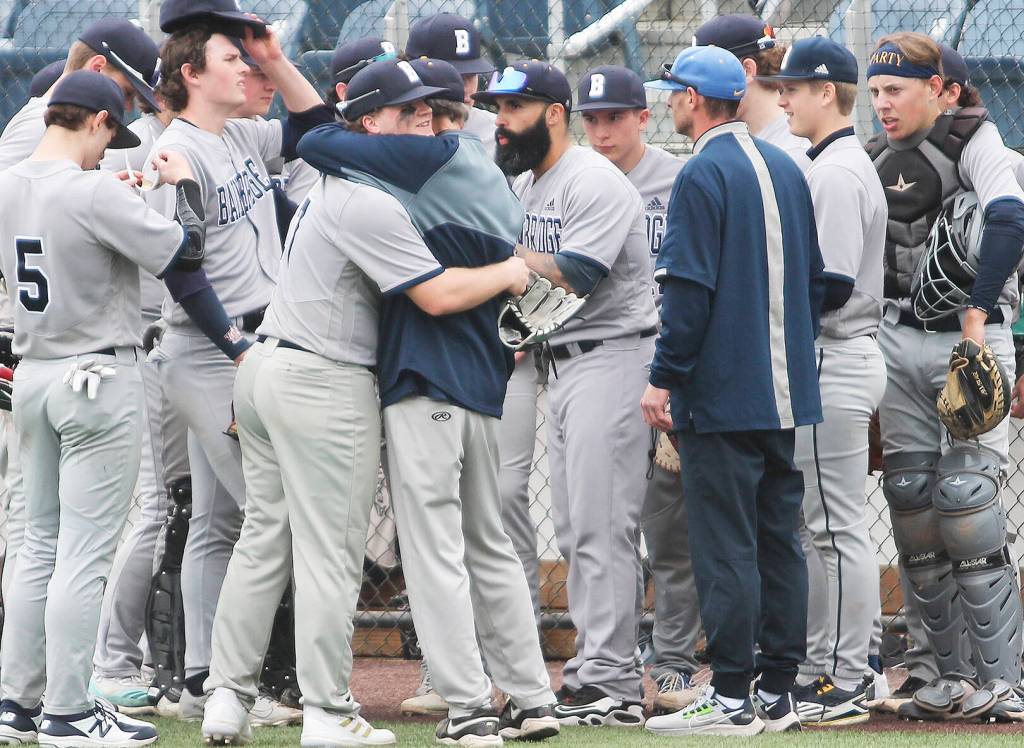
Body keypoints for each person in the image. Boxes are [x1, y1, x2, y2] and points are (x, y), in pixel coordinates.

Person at [300, 57, 560, 745]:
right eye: (410, 108)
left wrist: (358, 120)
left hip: (429, 377)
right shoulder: (470, 162)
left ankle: (471, 707)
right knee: (488, 546)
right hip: (478, 379)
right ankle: (533, 699)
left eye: (430, 106)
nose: (421, 117)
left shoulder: (426, 160)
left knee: (435, 550)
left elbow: (313, 141)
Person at [0, 69, 209, 747]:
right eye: (108, 134)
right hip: (97, 378)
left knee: (35, 547)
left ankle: (17, 705)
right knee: (83, 555)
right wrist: (179, 187)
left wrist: (122, 197)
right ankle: (67, 712)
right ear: (93, 120)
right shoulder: (91, 190)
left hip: (34, 374)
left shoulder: (8, 181)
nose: (109, 148)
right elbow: (187, 253)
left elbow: (76, 224)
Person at [149, 0, 332, 723]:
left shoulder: (240, 137)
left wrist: (276, 59)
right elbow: (182, 269)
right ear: (192, 73)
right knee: (268, 516)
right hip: (210, 350)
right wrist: (236, 346)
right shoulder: (180, 150)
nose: (245, 68)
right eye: (232, 59)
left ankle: (201, 679)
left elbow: (318, 131)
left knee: (219, 520)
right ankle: (229, 683)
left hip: (237, 345)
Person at [640, 45, 823, 737]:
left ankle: (736, 698)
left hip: (720, 393)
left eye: (674, 91)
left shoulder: (701, 173)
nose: (669, 101)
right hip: (784, 390)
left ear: (694, 99)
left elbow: (687, 294)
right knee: (780, 539)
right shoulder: (785, 165)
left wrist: (664, 377)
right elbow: (815, 282)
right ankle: (778, 692)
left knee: (725, 545)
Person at [475, 60, 658, 727]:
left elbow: (577, 274)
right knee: (582, 524)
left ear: (554, 112)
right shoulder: (530, 180)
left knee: (601, 525)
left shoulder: (592, 181)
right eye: (497, 109)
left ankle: (608, 680)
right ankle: (593, 674)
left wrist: (499, 267)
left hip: (615, 354)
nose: (501, 122)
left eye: (514, 109)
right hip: (567, 360)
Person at [866, 31, 1024, 722]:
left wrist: (977, 317)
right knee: (913, 505)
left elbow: (1011, 217)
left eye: (894, 90)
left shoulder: (980, 143)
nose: (882, 104)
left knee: (967, 501)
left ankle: (1002, 681)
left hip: (970, 334)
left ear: (943, 91)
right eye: (873, 91)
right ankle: (941, 676)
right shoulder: (868, 155)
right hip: (897, 337)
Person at [0, 16, 163, 613]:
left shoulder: (42, 137)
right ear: (98, 70)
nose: (127, 114)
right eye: (125, 96)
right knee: (47, 533)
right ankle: (60, 682)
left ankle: (28, 688)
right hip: (51, 345)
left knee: (40, 532)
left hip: (41, 349)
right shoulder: (34, 138)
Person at [764, 37, 888, 726]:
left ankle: (847, 676)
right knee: (821, 528)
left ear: (825, 92)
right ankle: (823, 666)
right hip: (833, 358)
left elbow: (832, 287)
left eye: (793, 88)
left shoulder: (837, 172)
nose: (783, 99)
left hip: (836, 355)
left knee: (836, 528)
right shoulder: (830, 163)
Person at [576, 63, 697, 713]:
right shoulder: (572, 180)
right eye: (590, 119)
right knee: (599, 525)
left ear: (642, 118)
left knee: (670, 529)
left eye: (614, 118)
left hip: (666, 360)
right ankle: (611, 658)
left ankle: (673, 661)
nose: (601, 131)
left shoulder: (676, 180)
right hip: (603, 364)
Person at [694, 14, 810, 169]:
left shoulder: (793, 153)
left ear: (747, 70)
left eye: (709, 74)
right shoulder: (743, 144)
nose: (699, 88)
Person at [406, 13, 497, 156]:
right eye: (452, 77)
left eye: (471, 75)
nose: (465, 89)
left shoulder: (496, 131)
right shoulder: (392, 125)